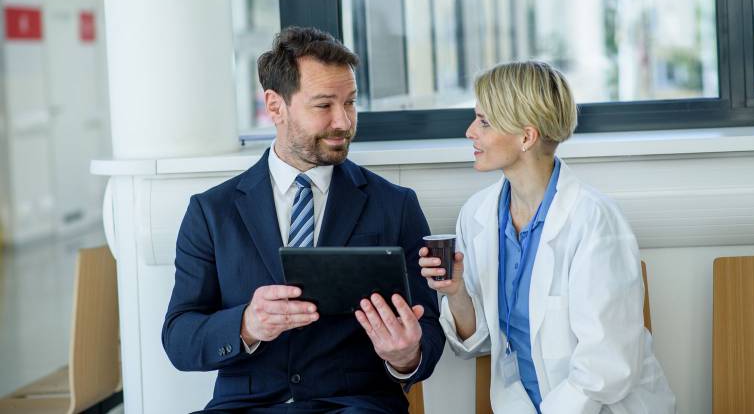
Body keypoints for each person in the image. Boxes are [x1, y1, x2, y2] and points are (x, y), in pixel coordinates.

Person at [163, 26, 444, 413]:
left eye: (350, 103)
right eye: (324, 105)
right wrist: (246, 324)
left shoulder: (394, 205)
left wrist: (406, 356)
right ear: (275, 106)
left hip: (354, 405)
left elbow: (428, 327)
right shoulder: (212, 212)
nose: (343, 121)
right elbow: (179, 338)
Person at [419, 61, 676, 414]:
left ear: (527, 137)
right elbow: (477, 343)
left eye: (484, 122)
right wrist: (456, 292)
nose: (469, 132)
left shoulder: (594, 220)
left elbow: (606, 367)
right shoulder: (478, 215)